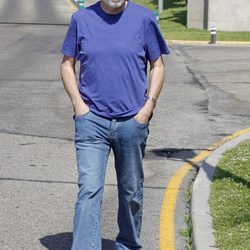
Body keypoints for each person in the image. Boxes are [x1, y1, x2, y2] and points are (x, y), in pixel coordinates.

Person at [60, 0, 170, 249]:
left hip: (132, 122)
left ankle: (128, 245)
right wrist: (79, 106)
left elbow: (158, 66)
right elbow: (67, 64)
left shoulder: (144, 19)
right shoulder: (82, 19)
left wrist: (148, 107)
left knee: (131, 192)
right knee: (89, 191)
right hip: (92, 123)